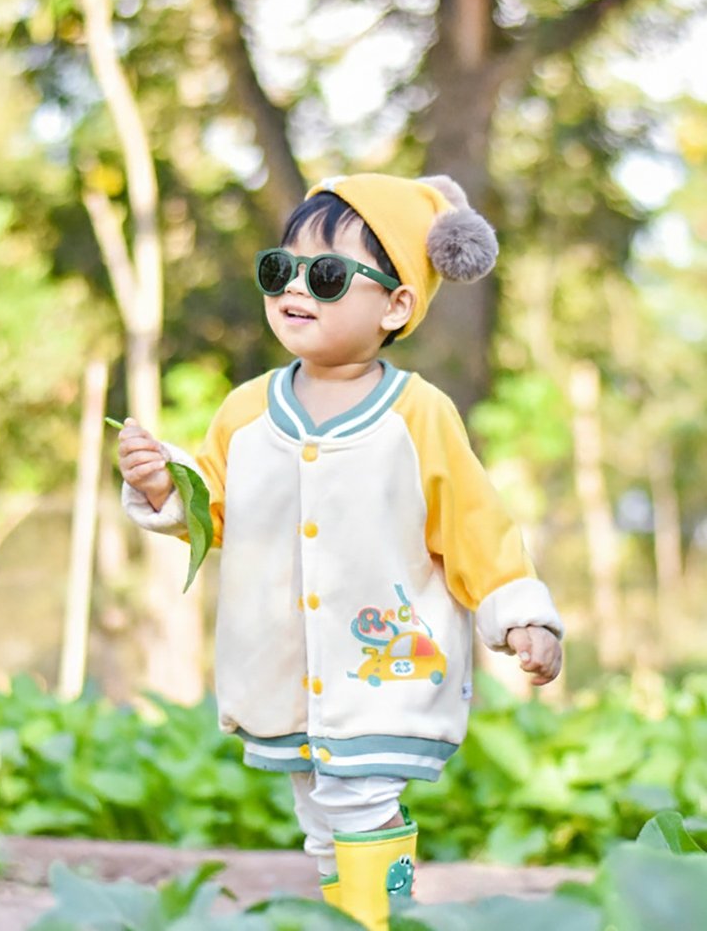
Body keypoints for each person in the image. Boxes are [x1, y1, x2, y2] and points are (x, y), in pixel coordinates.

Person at [116, 173, 563, 931]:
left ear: (396, 304)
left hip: (385, 666)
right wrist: (165, 486)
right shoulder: (247, 410)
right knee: (323, 818)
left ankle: (378, 922)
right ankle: (351, 916)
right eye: (279, 270)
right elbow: (213, 510)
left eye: (326, 276)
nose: (296, 289)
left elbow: (473, 525)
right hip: (284, 668)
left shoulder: (418, 414)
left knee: (361, 802)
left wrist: (521, 615)